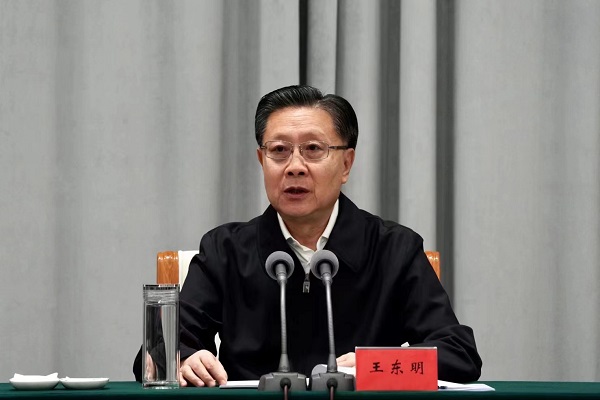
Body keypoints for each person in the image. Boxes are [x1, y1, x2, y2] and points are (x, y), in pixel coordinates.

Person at [133, 85, 482, 386]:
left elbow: (459, 353)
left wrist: (372, 365)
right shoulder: (225, 250)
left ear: (346, 164)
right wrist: (184, 359)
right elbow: (156, 353)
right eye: (279, 151)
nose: (295, 166)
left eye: (313, 149)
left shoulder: (394, 249)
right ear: (262, 160)